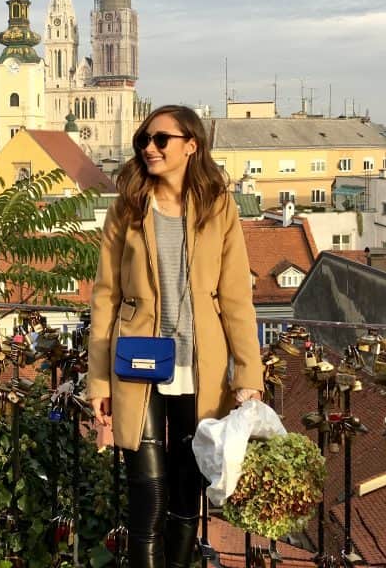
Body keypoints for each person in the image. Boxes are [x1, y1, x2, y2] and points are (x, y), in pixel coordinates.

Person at [88, 105, 264, 568]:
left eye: (161, 139)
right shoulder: (126, 207)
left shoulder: (218, 207)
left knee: (188, 495)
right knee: (147, 495)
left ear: (192, 145)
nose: (149, 147)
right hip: (135, 364)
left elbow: (236, 298)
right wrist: (99, 384)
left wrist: (248, 373)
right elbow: (105, 298)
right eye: (144, 139)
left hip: (200, 365)